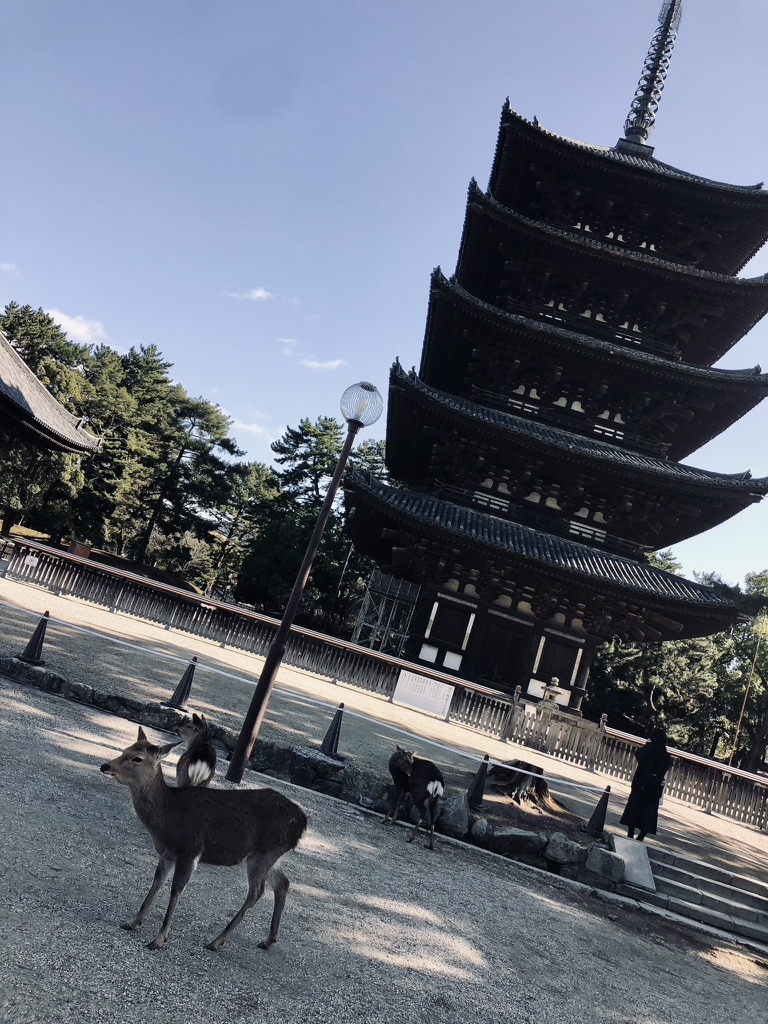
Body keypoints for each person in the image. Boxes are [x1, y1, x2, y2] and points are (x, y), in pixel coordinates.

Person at [619, 727, 673, 842]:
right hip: (654, 788)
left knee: (634, 809)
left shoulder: (647, 750)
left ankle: (630, 833)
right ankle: (641, 836)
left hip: (640, 784)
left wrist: (647, 745)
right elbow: (668, 765)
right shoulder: (665, 755)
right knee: (649, 813)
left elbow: (638, 755)